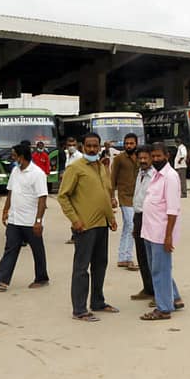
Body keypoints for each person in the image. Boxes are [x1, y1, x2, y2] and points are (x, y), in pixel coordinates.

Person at [57, 132, 119, 322]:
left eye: (95, 146)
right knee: (82, 268)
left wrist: (111, 218)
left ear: (100, 147)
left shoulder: (101, 167)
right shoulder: (75, 168)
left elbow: (105, 194)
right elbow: (63, 196)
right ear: (83, 147)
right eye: (89, 146)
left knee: (100, 265)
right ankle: (79, 309)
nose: (92, 149)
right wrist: (75, 220)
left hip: (102, 225)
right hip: (85, 227)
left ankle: (98, 301)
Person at [0, 144, 49, 291]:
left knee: (37, 250)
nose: (12, 158)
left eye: (14, 155)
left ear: (21, 157)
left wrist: (38, 221)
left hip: (30, 221)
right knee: (10, 248)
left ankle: (42, 278)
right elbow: (11, 192)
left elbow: (42, 199)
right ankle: (1, 280)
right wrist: (5, 210)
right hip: (15, 220)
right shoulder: (15, 171)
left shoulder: (37, 174)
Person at [140, 142, 185, 321]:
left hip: (160, 234)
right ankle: (174, 298)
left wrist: (168, 237)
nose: (156, 159)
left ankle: (164, 309)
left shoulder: (170, 177)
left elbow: (173, 210)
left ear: (167, 156)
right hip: (150, 231)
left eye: (159, 156)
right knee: (158, 269)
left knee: (160, 271)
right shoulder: (156, 175)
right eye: (154, 156)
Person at [110, 133, 140, 271]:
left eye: (131, 143)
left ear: (136, 144)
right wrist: (112, 196)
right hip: (124, 197)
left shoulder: (141, 157)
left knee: (130, 227)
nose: (129, 146)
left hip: (139, 197)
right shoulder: (119, 159)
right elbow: (113, 178)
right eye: (126, 143)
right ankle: (126, 258)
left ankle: (123, 257)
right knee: (131, 225)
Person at [130, 145, 155, 300]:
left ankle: (158, 292)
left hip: (150, 218)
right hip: (138, 216)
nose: (143, 161)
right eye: (140, 158)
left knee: (152, 257)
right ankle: (148, 288)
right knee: (141, 255)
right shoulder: (140, 172)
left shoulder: (156, 175)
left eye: (146, 158)